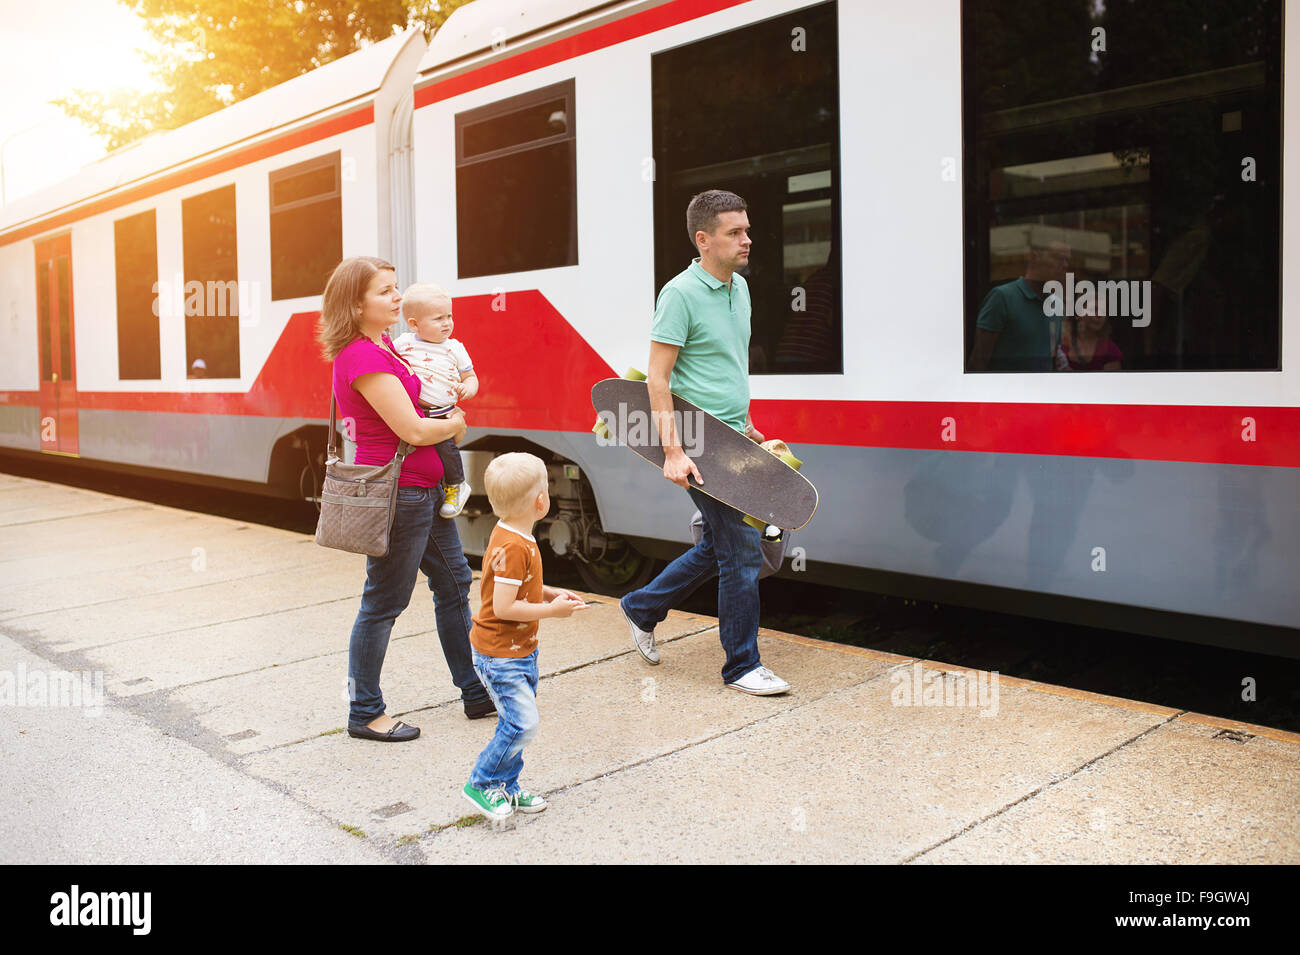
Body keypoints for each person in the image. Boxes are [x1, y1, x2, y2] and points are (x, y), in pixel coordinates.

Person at [618, 189, 791, 696]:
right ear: (704, 239)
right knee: (741, 549)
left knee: (720, 544)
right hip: (697, 441)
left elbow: (728, 366)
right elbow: (658, 378)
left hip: (733, 437)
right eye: (734, 232)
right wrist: (673, 451)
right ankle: (741, 665)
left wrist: (749, 422)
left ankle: (642, 606)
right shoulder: (679, 294)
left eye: (746, 229)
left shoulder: (740, 288)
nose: (747, 239)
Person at [317, 256, 495, 743]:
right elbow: (413, 429)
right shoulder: (363, 356)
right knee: (383, 602)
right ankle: (364, 711)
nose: (397, 298)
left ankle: (475, 691)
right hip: (401, 495)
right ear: (356, 305)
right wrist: (457, 424)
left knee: (455, 582)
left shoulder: (387, 348)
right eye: (386, 292)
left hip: (425, 490)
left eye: (396, 289)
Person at [462, 452, 586, 819]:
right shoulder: (514, 546)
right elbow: (503, 607)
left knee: (513, 721)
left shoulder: (513, 534)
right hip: (500, 654)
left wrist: (547, 593)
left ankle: (508, 785)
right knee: (522, 723)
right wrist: (553, 612)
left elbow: (518, 588)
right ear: (541, 501)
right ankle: (481, 784)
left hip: (518, 651)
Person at [391, 283, 477, 517]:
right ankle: (437, 486)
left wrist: (468, 387)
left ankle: (457, 484)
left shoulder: (454, 348)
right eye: (438, 318)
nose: (447, 323)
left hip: (443, 412)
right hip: (415, 413)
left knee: (446, 450)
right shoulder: (404, 343)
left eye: (449, 316)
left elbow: (470, 376)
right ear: (414, 324)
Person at [969, 240, 1070, 371]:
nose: (1065, 265)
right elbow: (978, 363)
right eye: (1059, 258)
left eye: (1067, 260)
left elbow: (1052, 360)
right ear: (1034, 256)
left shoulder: (1057, 305)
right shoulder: (1002, 297)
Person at [1058, 304, 1123, 371]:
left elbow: (1111, 380)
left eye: (1103, 311)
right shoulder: (1060, 345)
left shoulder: (1110, 350)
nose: (1099, 315)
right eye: (1093, 310)